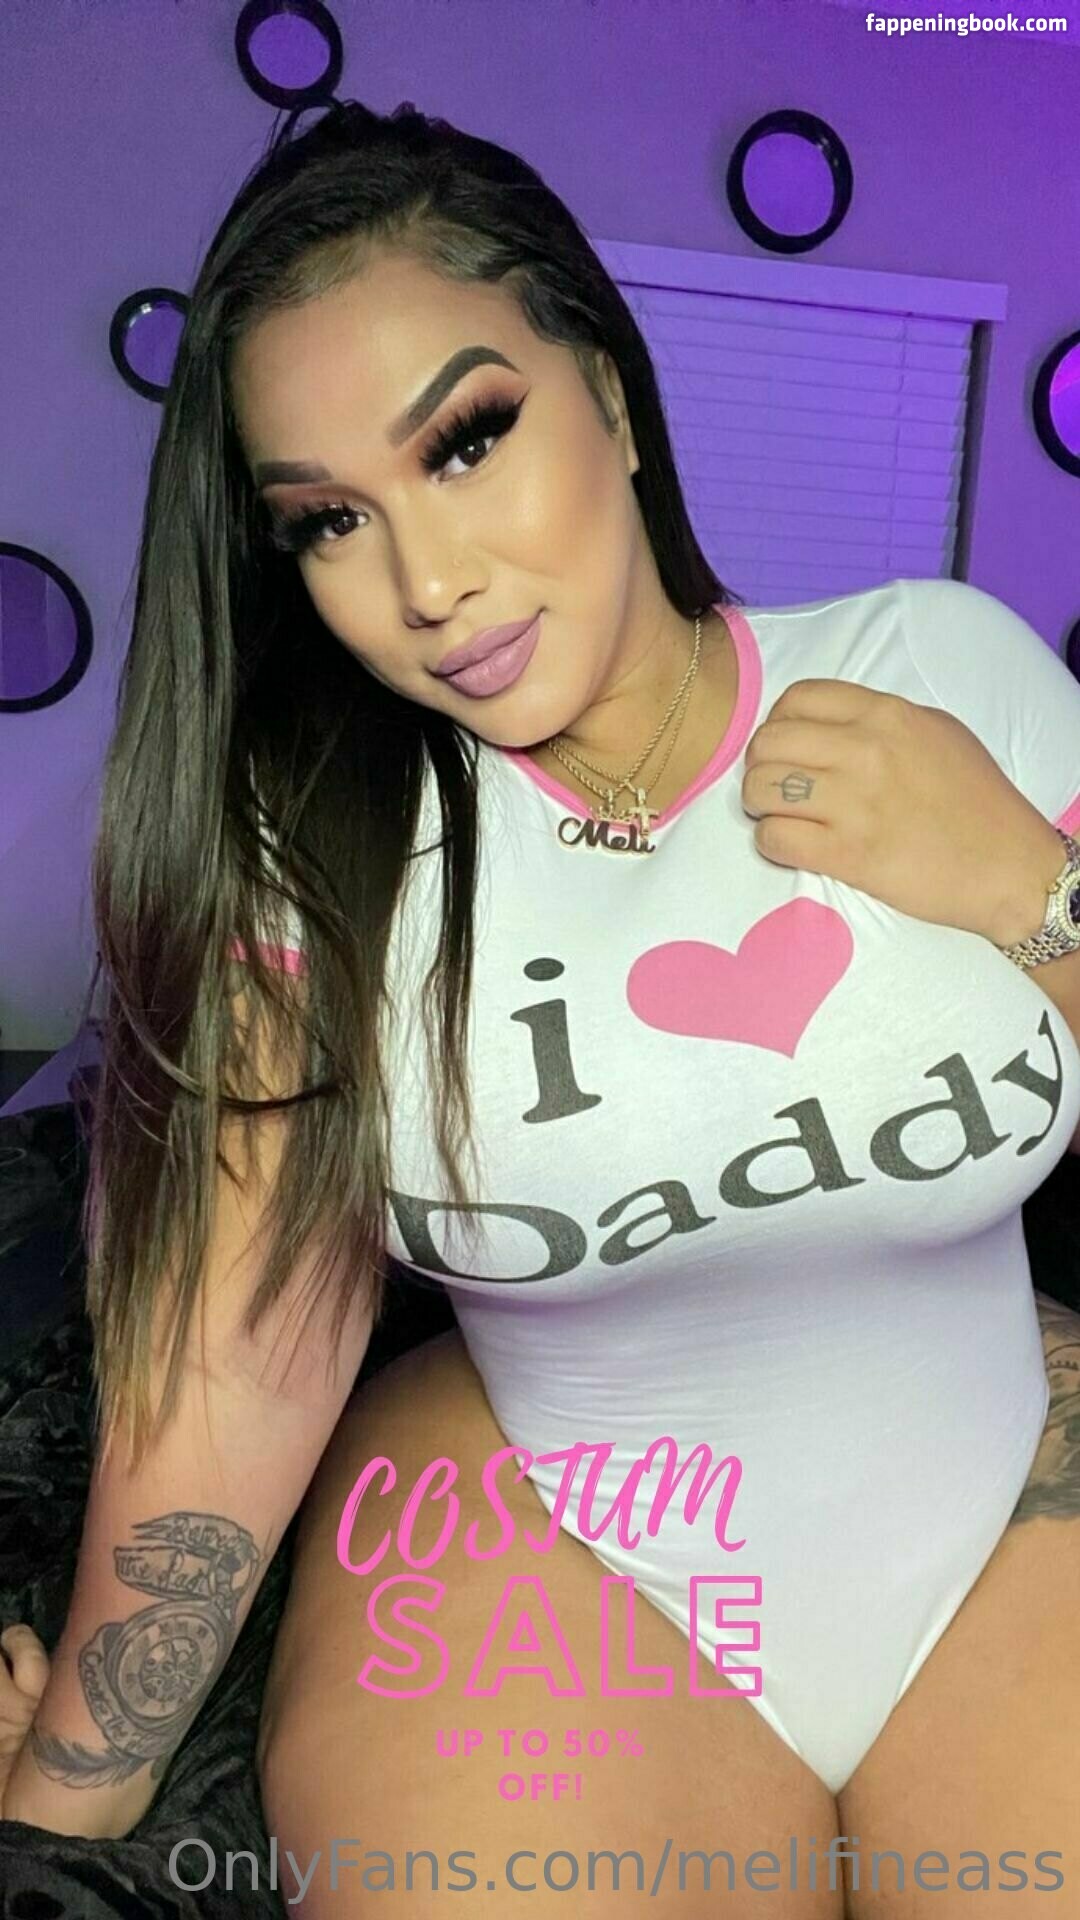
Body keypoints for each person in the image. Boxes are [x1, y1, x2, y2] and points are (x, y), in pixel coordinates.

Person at [2, 96, 1080, 1918]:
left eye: (468, 440)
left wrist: (1023, 888)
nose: (428, 585)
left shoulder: (944, 667)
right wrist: (63, 1789)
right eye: (329, 521)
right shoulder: (314, 856)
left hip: (998, 1493)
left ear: (615, 395)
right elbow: (233, 1365)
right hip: (561, 1549)